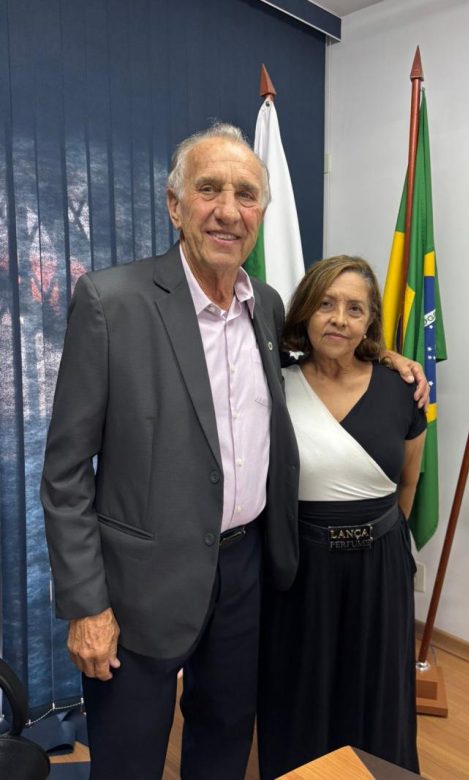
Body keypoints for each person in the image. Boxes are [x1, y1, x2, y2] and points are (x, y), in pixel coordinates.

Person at [41, 124, 429, 780]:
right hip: (142, 587)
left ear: (261, 213)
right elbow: (65, 473)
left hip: (247, 575)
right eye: (209, 190)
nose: (228, 210)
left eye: (246, 195)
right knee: (130, 757)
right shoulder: (113, 302)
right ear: (175, 206)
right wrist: (86, 606)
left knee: (223, 746)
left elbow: (326, 355)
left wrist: (387, 358)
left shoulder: (265, 308)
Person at [257, 255, 427, 778]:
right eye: (326, 304)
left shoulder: (402, 389)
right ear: (305, 311)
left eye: (355, 309)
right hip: (301, 566)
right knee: (300, 689)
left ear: (369, 321)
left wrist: (376, 542)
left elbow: (408, 483)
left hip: (380, 566)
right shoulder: (274, 386)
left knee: (377, 690)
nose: (339, 319)